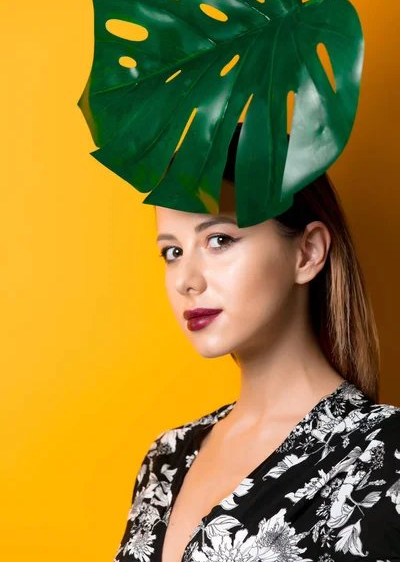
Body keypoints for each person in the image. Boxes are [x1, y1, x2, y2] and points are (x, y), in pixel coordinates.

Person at [112, 124, 400, 562]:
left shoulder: (382, 454)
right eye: (172, 252)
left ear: (307, 253)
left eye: (219, 240)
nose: (187, 281)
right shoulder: (165, 458)